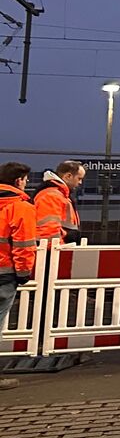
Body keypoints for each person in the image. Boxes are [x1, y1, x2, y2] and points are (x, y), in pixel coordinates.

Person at [0, 162, 37, 391]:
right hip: (4, 274)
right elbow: (24, 246)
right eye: (25, 179)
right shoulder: (21, 207)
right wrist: (24, 274)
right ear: (18, 181)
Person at [35, 160, 85, 244]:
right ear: (68, 176)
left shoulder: (58, 195)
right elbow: (48, 231)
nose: (80, 182)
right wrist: (61, 251)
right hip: (53, 251)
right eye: (79, 178)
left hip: (55, 249)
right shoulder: (52, 196)